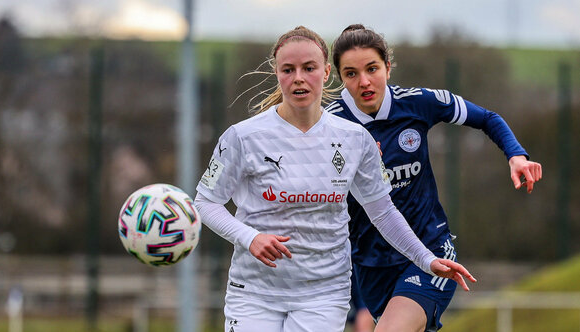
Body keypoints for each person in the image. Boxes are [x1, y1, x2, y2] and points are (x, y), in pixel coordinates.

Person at [194, 26, 475, 332]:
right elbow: (206, 203)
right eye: (288, 69)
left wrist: (425, 259)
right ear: (277, 73)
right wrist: (250, 237)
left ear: (327, 72)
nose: (299, 77)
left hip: (323, 294)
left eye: (309, 68)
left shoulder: (355, 138)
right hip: (255, 293)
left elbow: (382, 212)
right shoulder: (243, 137)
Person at [325, 24, 543, 332]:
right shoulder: (329, 125)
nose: (364, 82)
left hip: (430, 251)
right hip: (370, 265)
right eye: (351, 74)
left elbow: (487, 118)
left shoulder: (418, 103)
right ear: (339, 77)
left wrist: (516, 155)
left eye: (372, 68)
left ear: (388, 67)